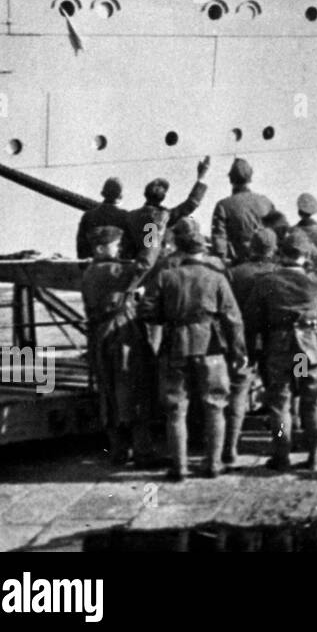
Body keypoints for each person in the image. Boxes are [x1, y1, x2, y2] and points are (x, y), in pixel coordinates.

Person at [139, 217, 246, 481]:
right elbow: (233, 320)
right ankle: (213, 464)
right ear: (202, 250)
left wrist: (169, 319)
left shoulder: (166, 276)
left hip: (175, 345)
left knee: (176, 410)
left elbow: (146, 311)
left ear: (182, 250)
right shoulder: (217, 277)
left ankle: (179, 467)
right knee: (215, 406)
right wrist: (239, 353)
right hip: (211, 347)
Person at [246, 230, 317, 470]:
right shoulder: (315, 281)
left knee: (280, 405)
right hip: (306, 353)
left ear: (281, 253)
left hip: (280, 350)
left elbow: (252, 320)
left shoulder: (266, 282)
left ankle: (282, 456)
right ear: (305, 257)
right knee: (312, 402)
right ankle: (314, 457)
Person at [81, 225, 154, 465]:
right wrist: (154, 231)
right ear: (101, 248)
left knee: (109, 394)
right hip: (119, 335)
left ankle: (119, 450)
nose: (119, 248)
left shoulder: (91, 271)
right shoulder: (110, 270)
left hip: (100, 337)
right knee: (133, 388)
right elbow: (143, 266)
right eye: (115, 244)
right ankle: (143, 453)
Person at [224, 228, 280, 466]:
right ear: (274, 249)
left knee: (237, 392)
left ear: (251, 248)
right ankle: (280, 443)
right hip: (274, 340)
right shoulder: (279, 273)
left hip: (242, 339)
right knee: (279, 395)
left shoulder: (235, 273)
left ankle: (231, 446)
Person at [122, 158, 210, 265]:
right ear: (163, 197)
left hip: (135, 265)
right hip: (157, 264)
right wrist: (201, 178)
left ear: (145, 194)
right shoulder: (165, 215)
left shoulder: (131, 216)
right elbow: (191, 203)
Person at [210, 158, 275, 265]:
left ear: (230, 179)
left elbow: (219, 243)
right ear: (250, 177)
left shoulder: (223, 206)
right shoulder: (266, 202)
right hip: (266, 264)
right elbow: (277, 233)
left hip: (237, 265)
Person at [77, 177, 128, 259]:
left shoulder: (87, 216)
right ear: (120, 196)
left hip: (92, 264)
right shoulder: (126, 216)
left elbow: (81, 246)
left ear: (103, 194)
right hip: (117, 265)